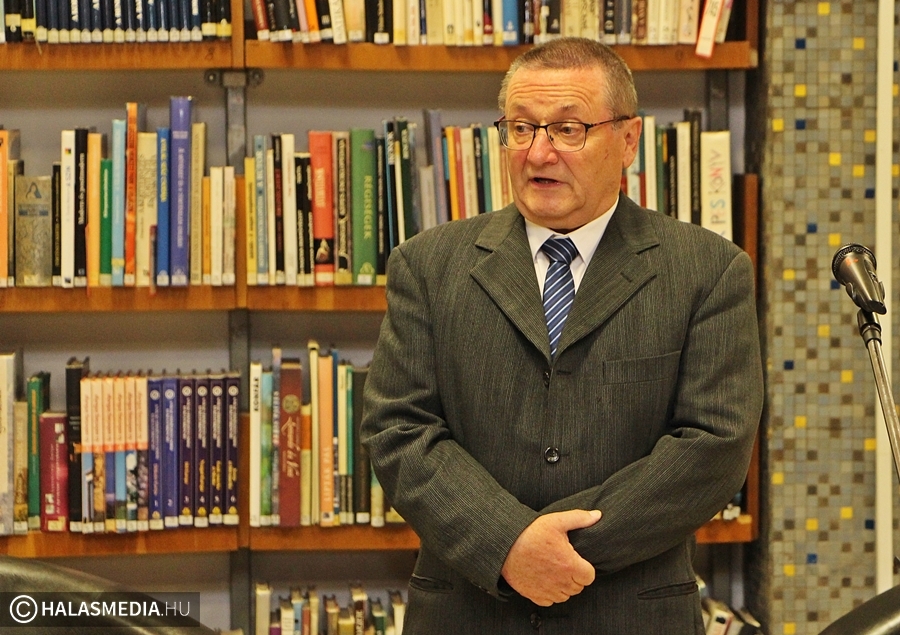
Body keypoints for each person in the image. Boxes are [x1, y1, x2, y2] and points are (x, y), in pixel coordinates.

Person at [361, 36, 763, 634]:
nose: (538, 153)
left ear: (628, 140)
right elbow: (398, 429)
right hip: (469, 611)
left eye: (568, 130)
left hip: (630, 613)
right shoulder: (428, 265)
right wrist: (506, 544)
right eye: (521, 129)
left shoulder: (707, 270)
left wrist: (557, 552)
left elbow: (713, 447)